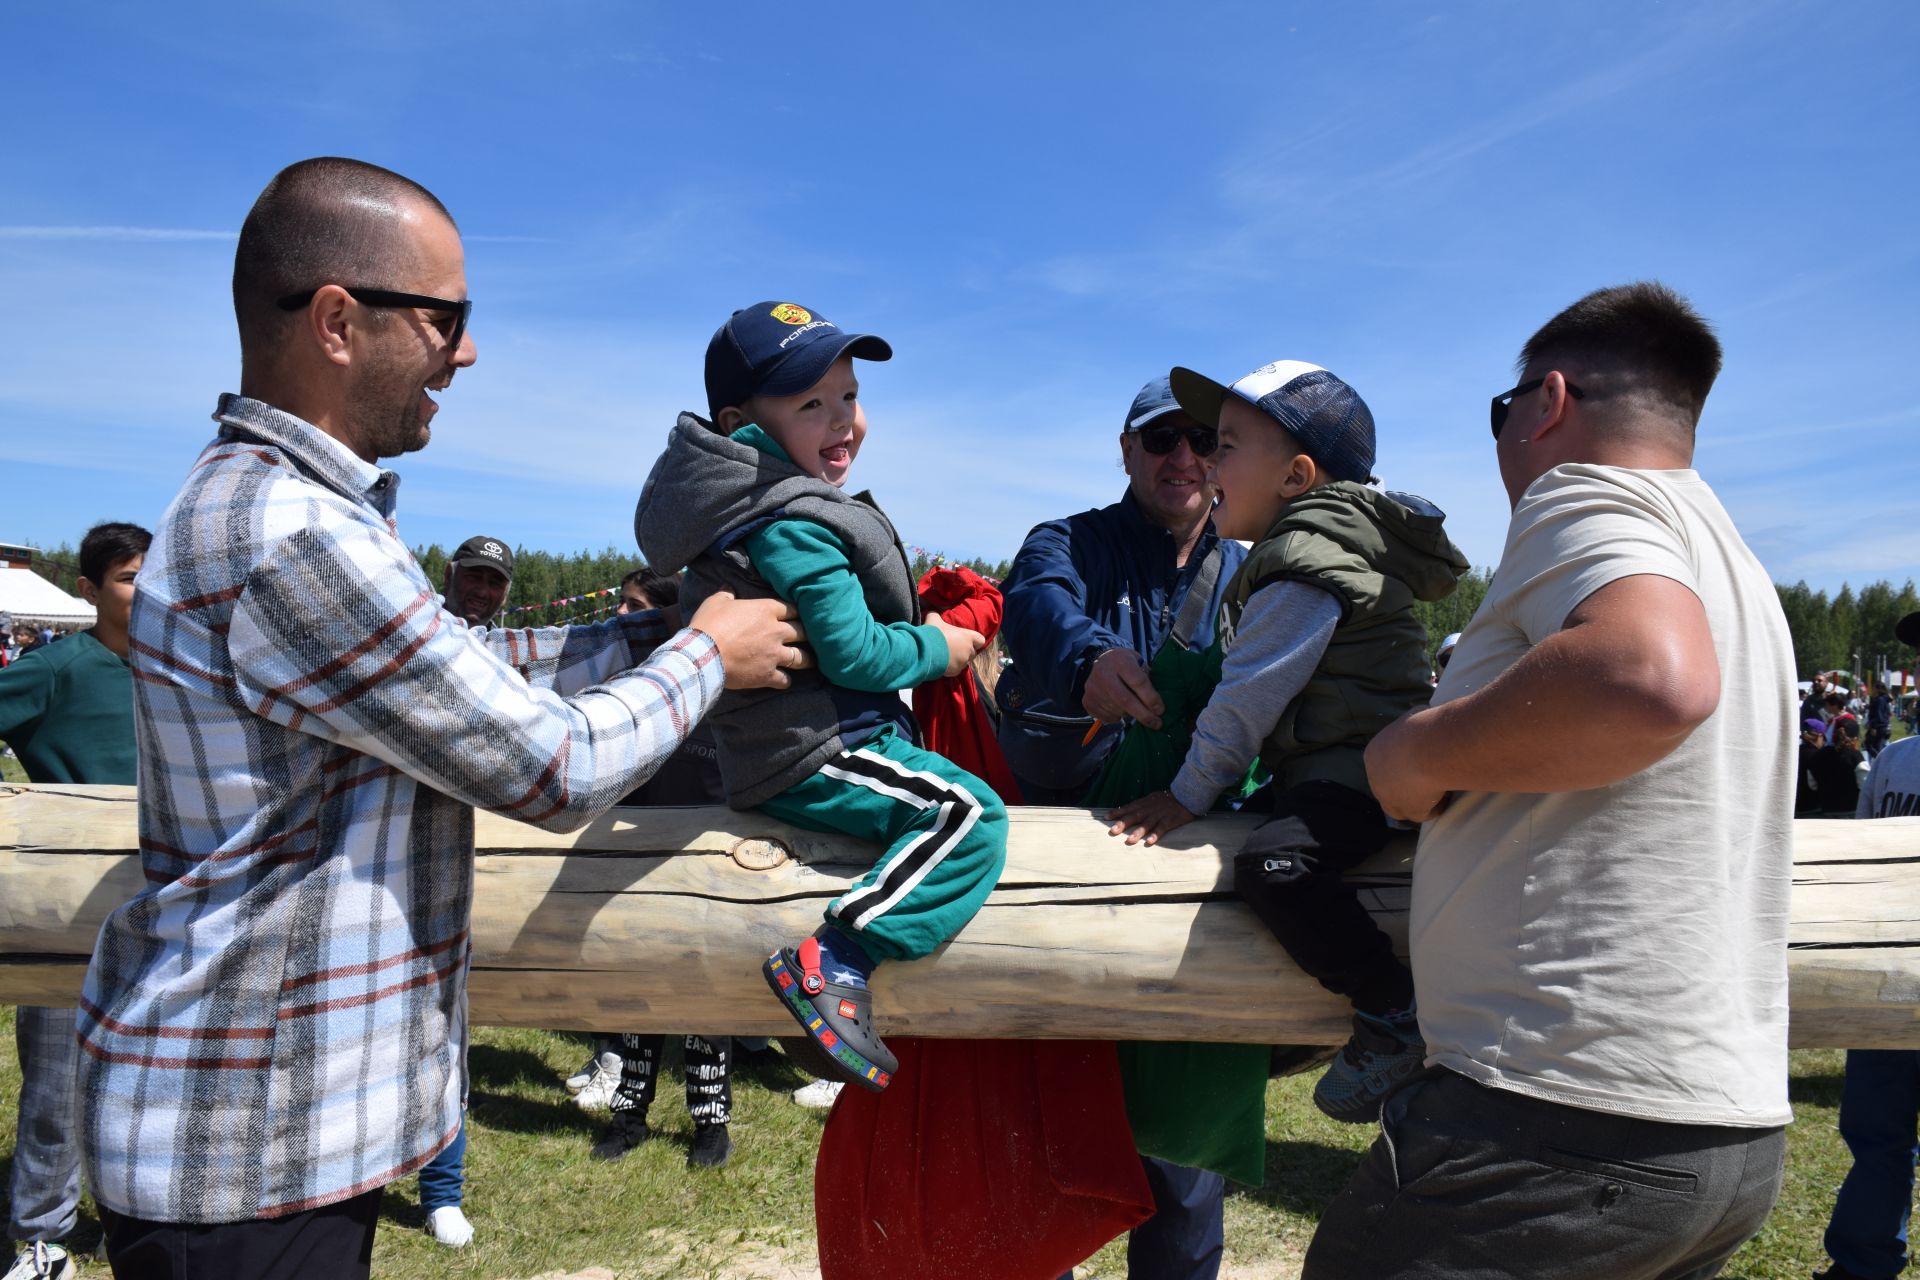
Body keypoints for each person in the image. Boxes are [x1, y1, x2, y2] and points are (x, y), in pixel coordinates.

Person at [75, 157, 803, 1280]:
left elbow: (453, 670)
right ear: (336, 320)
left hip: (256, 1140)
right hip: (246, 1154)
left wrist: (643, 641)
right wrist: (712, 653)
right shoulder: (292, 534)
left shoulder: (275, 505)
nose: (465, 352)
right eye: (446, 317)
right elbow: (548, 764)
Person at [1304, 282, 1797, 1279]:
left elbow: (1649, 676)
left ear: (1548, 402)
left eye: (1502, 411)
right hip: (1723, 1138)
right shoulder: (1734, 561)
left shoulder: (1587, 492)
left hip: (1554, 1116)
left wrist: (1417, 752)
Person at [636, 299, 1004, 1094]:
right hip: (814, 749)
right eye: (811, 404)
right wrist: (940, 647)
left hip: (804, 744)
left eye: (849, 397)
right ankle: (836, 959)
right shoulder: (790, 523)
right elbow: (854, 653)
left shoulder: (769, 507)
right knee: (968, 816)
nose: (845, 421)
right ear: (742, 427)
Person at [1105, 360, 1467, 1123]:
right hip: (1336, 764)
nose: (1206, 462)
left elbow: (1249, 698)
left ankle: (1391, 1009)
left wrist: (1185, 794)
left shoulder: (1303, 564)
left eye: (1227, 446)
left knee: (1274, 865)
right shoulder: (1316, 546)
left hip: (1361, 774)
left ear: (1297, 475)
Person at [999, 374, 1246, 1280]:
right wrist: (1085, 659)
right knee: (1049, 1130)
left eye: (1204, 442)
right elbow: (1037, 604)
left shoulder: (1255, 564)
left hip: (1192, 883)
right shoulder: (1069, 541)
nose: (1182, 458)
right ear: (1126, 450)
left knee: (1182, 1156)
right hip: (1068, 869)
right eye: (1160, 440)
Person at [0, 522, 149, 1280]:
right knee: (57, 1083)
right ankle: (40, 1235)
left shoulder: (180, 673)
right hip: (67, 911)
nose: (145, 589)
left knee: (147, 1081)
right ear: (89, 590)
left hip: (161, 913)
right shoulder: (58, 668)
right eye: (127, 577)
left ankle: (136, 1218)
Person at [1814, 663, 1920, 1280]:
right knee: (1877, 1137)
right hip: (1888, 979)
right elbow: (1860, 859)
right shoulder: (1895, 759)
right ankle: (1861, 1266)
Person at [442, 533, 513, 628]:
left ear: (505, 595)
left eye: (495, 583)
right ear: (449, 576)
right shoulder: (416, 631)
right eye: (474, 577)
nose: (482, 593)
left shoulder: (509, 642)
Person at [1810, 718, 1866, 816]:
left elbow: (1812, 784)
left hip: (1825, 812)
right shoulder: (1856, 757)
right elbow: (1864, 785)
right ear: (1855, 739)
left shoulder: (1819, 754)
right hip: (1851, 812)